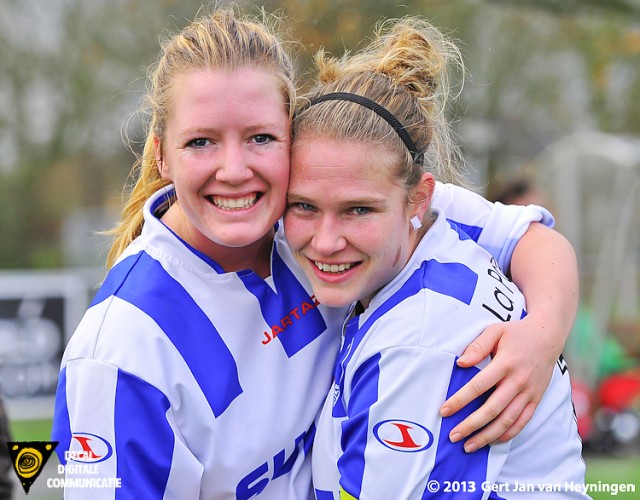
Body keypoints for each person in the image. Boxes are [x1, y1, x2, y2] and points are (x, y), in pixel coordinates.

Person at [51, 6, 579, 499]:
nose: (234, 169)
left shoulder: (328, 197)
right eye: (201, 142)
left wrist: (543, 333)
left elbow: (532, 240)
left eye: (260, 138)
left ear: (293, 138)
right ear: (161, 153)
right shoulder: (117, 353)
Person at [284, 17, 587, 499]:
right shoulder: (427, 224)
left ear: (418, 200)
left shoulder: (420, 346)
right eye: (303, 206)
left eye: (357, 211)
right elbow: (534, 237)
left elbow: (539, 238)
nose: (324, 241)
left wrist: (544, 331)